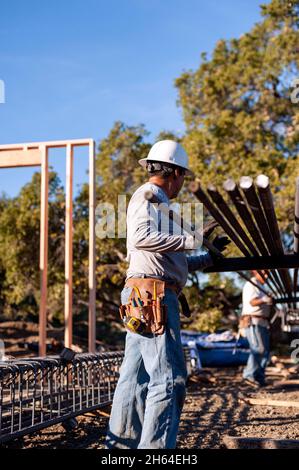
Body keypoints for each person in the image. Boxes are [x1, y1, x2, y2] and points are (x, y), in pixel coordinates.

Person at [106, 140, 227, 449]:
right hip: (153, 298)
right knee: (169, 381)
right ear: (174, 173)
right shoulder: (149, 196)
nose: (182, 184)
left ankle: (120, 452)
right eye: (183, 176)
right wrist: (193, 239)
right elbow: (142, 238)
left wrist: (207, 258)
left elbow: (171, 262)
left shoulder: (161, 206)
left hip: (144, 295)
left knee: (135, 381)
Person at [241, 270, 273, 387]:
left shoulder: (260, 286)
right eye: (264, 273)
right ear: (255, 272)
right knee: (258, 349)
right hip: (253, 321)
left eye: (267, 273)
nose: (266, 275)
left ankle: (259, 377)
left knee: (265, 351)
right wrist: (264, 300)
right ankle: (248, 375)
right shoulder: (252, 283)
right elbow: (252, 302)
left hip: (262, 322)